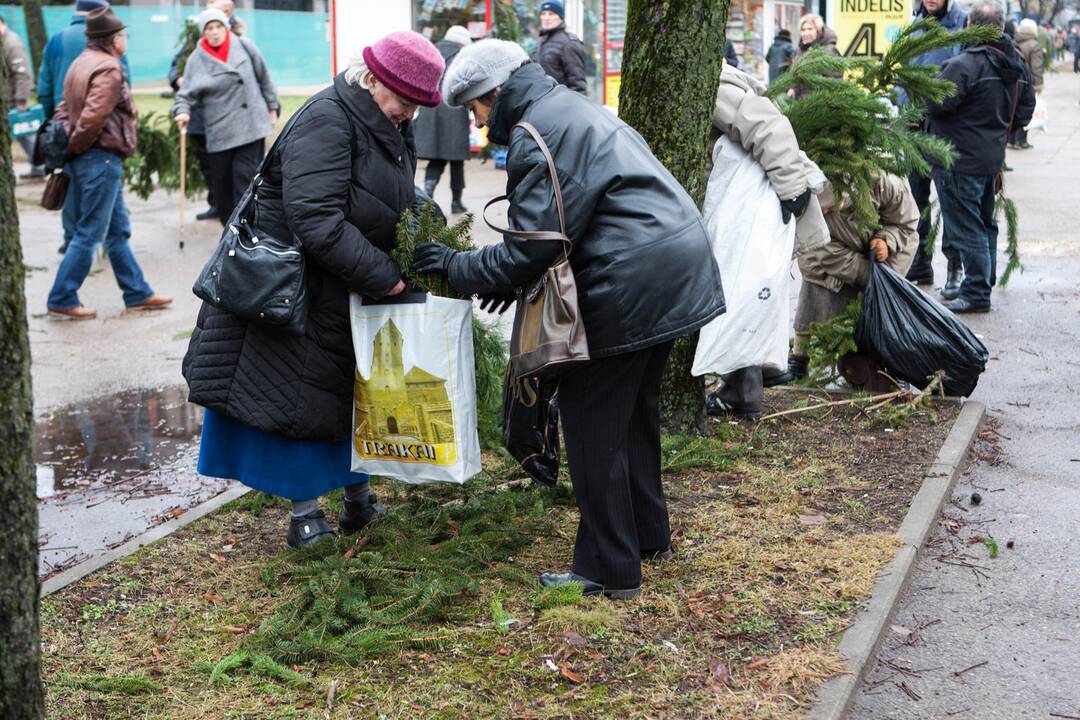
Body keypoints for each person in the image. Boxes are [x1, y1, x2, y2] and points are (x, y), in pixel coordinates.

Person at [418, 40, 725, 599]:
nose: (480, 126)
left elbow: (536, 246)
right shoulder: (569, 108)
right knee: (632, 416)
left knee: (591, 423)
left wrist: (459, 267)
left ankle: (608, 569)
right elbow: (568, 225)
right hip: (674, 270)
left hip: (630, 284)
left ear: (493, 95)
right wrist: (507, 281)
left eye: (475, 110)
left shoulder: (537, 133)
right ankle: (646, 534)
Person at [183, 31, 446, 548]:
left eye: (419, 107)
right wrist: (384, 275)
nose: (410, 115)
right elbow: (316, 219)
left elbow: (388, 190)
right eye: (405, 103)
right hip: (296, 290)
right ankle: (305, 515)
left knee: (355, 396)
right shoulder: (327, 119)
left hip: (342, 282)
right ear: (374, 81)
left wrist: (427, 220)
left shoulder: (389, 120)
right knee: (297, 401)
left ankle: (358, 498)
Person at [700, 61, 812, 419]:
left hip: (745, 207)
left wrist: (793, 188)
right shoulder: (715, 81)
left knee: (737, 289)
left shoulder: (713, 84)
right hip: (740, 204)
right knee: (740, 291)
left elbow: (767, 126)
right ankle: (749, 382)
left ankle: (746, 388)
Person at [46, 8, 172, 320]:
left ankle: (137, 293)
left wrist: (71, 147)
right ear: (113, 39)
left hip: (90, 158)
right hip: (100, 159)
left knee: (117, 231)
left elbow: (63, 108)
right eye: (124, 35)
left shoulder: (81, 63)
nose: (126, 40)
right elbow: (93, 116)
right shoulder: (109, 68)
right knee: (89, 232)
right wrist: (77, 144)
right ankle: (62, 295)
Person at [925, 1, 1035, 313]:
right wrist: (1001, 130)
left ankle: (975, 292)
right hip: (989, 158)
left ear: (970, 27)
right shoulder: (1014, 63)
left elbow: (936, 103)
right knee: (984, 223)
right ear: (1001, 28)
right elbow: (1026, 106)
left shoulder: (965, 64)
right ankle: (983, 280)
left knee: (967, 227)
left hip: (957, 159)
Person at [789, 175, 918, 375]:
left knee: (882, 305)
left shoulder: (886, 184)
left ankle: (890, 361)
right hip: (827, 261)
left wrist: (888, 241)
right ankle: (799, 356)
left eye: (830, 207)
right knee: (813, 297)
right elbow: (823, 253)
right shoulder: (809, 207)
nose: (825, 211)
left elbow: (905, 223)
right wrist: (865, 272)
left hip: (886, 255)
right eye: (822, 208)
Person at [37, 0, 131, 254]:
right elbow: (125, 83)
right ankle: (112, 244)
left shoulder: (57, 40)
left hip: (66, 126)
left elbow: (44, 88)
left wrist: (57, 126)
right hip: (100, 132)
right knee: (106, 189)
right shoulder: (110, 42)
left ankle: (71, 240)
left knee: (71, 188)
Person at [172, 9, 279, 226]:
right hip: (219, 130)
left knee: (244, 182)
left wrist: (272, 106)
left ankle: (246, 234)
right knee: (222, 190)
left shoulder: (244, 45)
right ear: (204, 32)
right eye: (210, 28)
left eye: (219, 27)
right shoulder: (197, 59)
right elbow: (185, 94)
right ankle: (228, 234)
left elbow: (264, 77)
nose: (215, 32)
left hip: (251, 125)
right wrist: (182, 110)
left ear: (226, 27)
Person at [902, 0, 968, 290]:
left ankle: (955, 265)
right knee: (915, 199)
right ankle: (920, 262)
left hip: (946, 128)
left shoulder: (961, 25)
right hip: (914, 128)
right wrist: (905, 108)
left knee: (949, 202)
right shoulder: (913, 26)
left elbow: (966, 76)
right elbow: (901, 75)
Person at [414, 26, 472, 215]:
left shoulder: (430, 51)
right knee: (456, 160)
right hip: (454, 110)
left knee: (437, 158)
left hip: (430, 109)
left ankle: (427, 195)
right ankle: (456, 202)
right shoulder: (462, 56)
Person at [0, 14, 43, 179]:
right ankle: (39, 166)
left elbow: (22, 74)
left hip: (13, 99)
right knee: (23, 135)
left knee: (24, 133)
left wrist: (21, 100)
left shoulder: (12, 43)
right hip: (8, 98)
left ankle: (40, 166)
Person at [531, 0, 587, 95]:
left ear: (560, 17)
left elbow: (578, 85)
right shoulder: (541, 41)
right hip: (541, 102)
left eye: (551, 14)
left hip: (561, 104)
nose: (546, 18)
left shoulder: (569, 43)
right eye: (543, 14)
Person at [1009, 18, 1044, 150]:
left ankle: (1013, 140)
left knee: (1015, 110)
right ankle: (1022, 140)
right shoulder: (1034, 45)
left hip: (1015, 81)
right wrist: (1039, 84)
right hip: (1029, 82)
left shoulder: (1015, 41)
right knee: (1026, 110)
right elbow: (1037, 67)